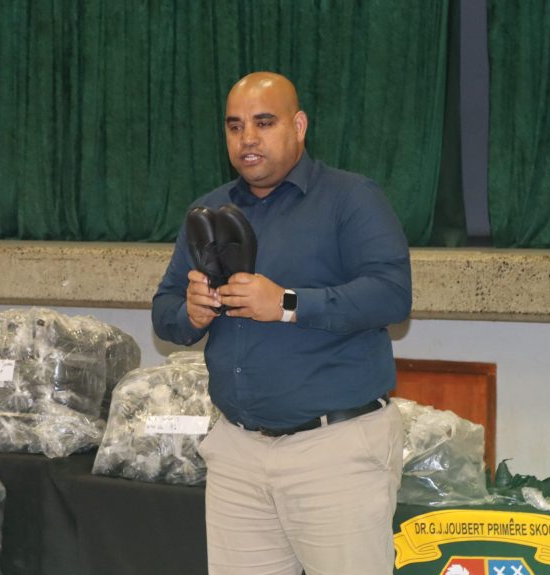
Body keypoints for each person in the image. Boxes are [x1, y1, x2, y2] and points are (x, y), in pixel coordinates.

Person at [152, 71, 412, 575]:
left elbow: (392, 296)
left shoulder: (351, 198)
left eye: (263, 122)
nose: (247, 138)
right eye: (234, 126)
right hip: (238, 452)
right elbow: (166, 312)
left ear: (298, 125)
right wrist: (191, 310)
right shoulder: (208, 211)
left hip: (334, 451)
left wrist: (288, 303)